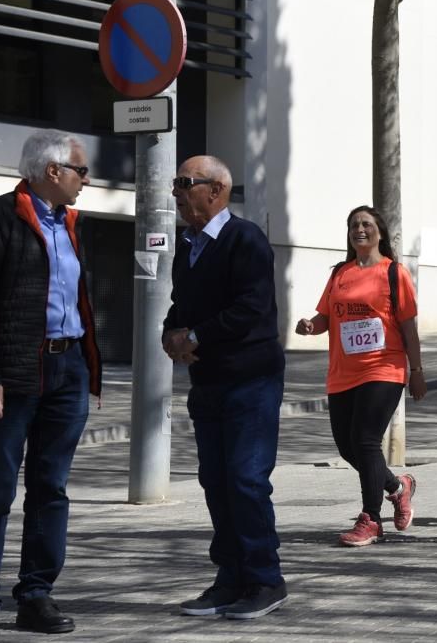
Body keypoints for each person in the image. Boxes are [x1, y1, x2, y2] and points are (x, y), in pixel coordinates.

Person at [0, 129, 102, 640]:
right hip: (12, 375)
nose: (86, 180)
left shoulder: (70, 223)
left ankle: (35, 595)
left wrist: (86, 366)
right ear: (53, 171)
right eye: (81, 170)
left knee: (50, 489)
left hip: (67, 369)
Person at [164, 155, 288, 620]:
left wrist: (194, 337)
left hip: (250, 379)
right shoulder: (188, 244)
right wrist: (170, 334)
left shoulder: (245, 238)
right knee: (215, 481)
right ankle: (231, 577)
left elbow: (251, 308)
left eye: (184, 182)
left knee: (245, 480)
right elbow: (182, 304)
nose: (176, 191)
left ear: (215, 190)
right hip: (209, 381)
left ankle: (265, 580)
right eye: (176, 183)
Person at [295, 206, 426, 547]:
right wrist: (311, 326)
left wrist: (417, 370)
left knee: (366, 440)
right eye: (354, 225)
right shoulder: (341, 272)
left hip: (384, 367)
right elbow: (326, 315)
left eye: (366, 224)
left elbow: (409, 325)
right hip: (343, 371)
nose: (359, 230)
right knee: (348, 446)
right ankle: (398, 488)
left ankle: (371, 519)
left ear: (379, 232)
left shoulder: (394, 273)